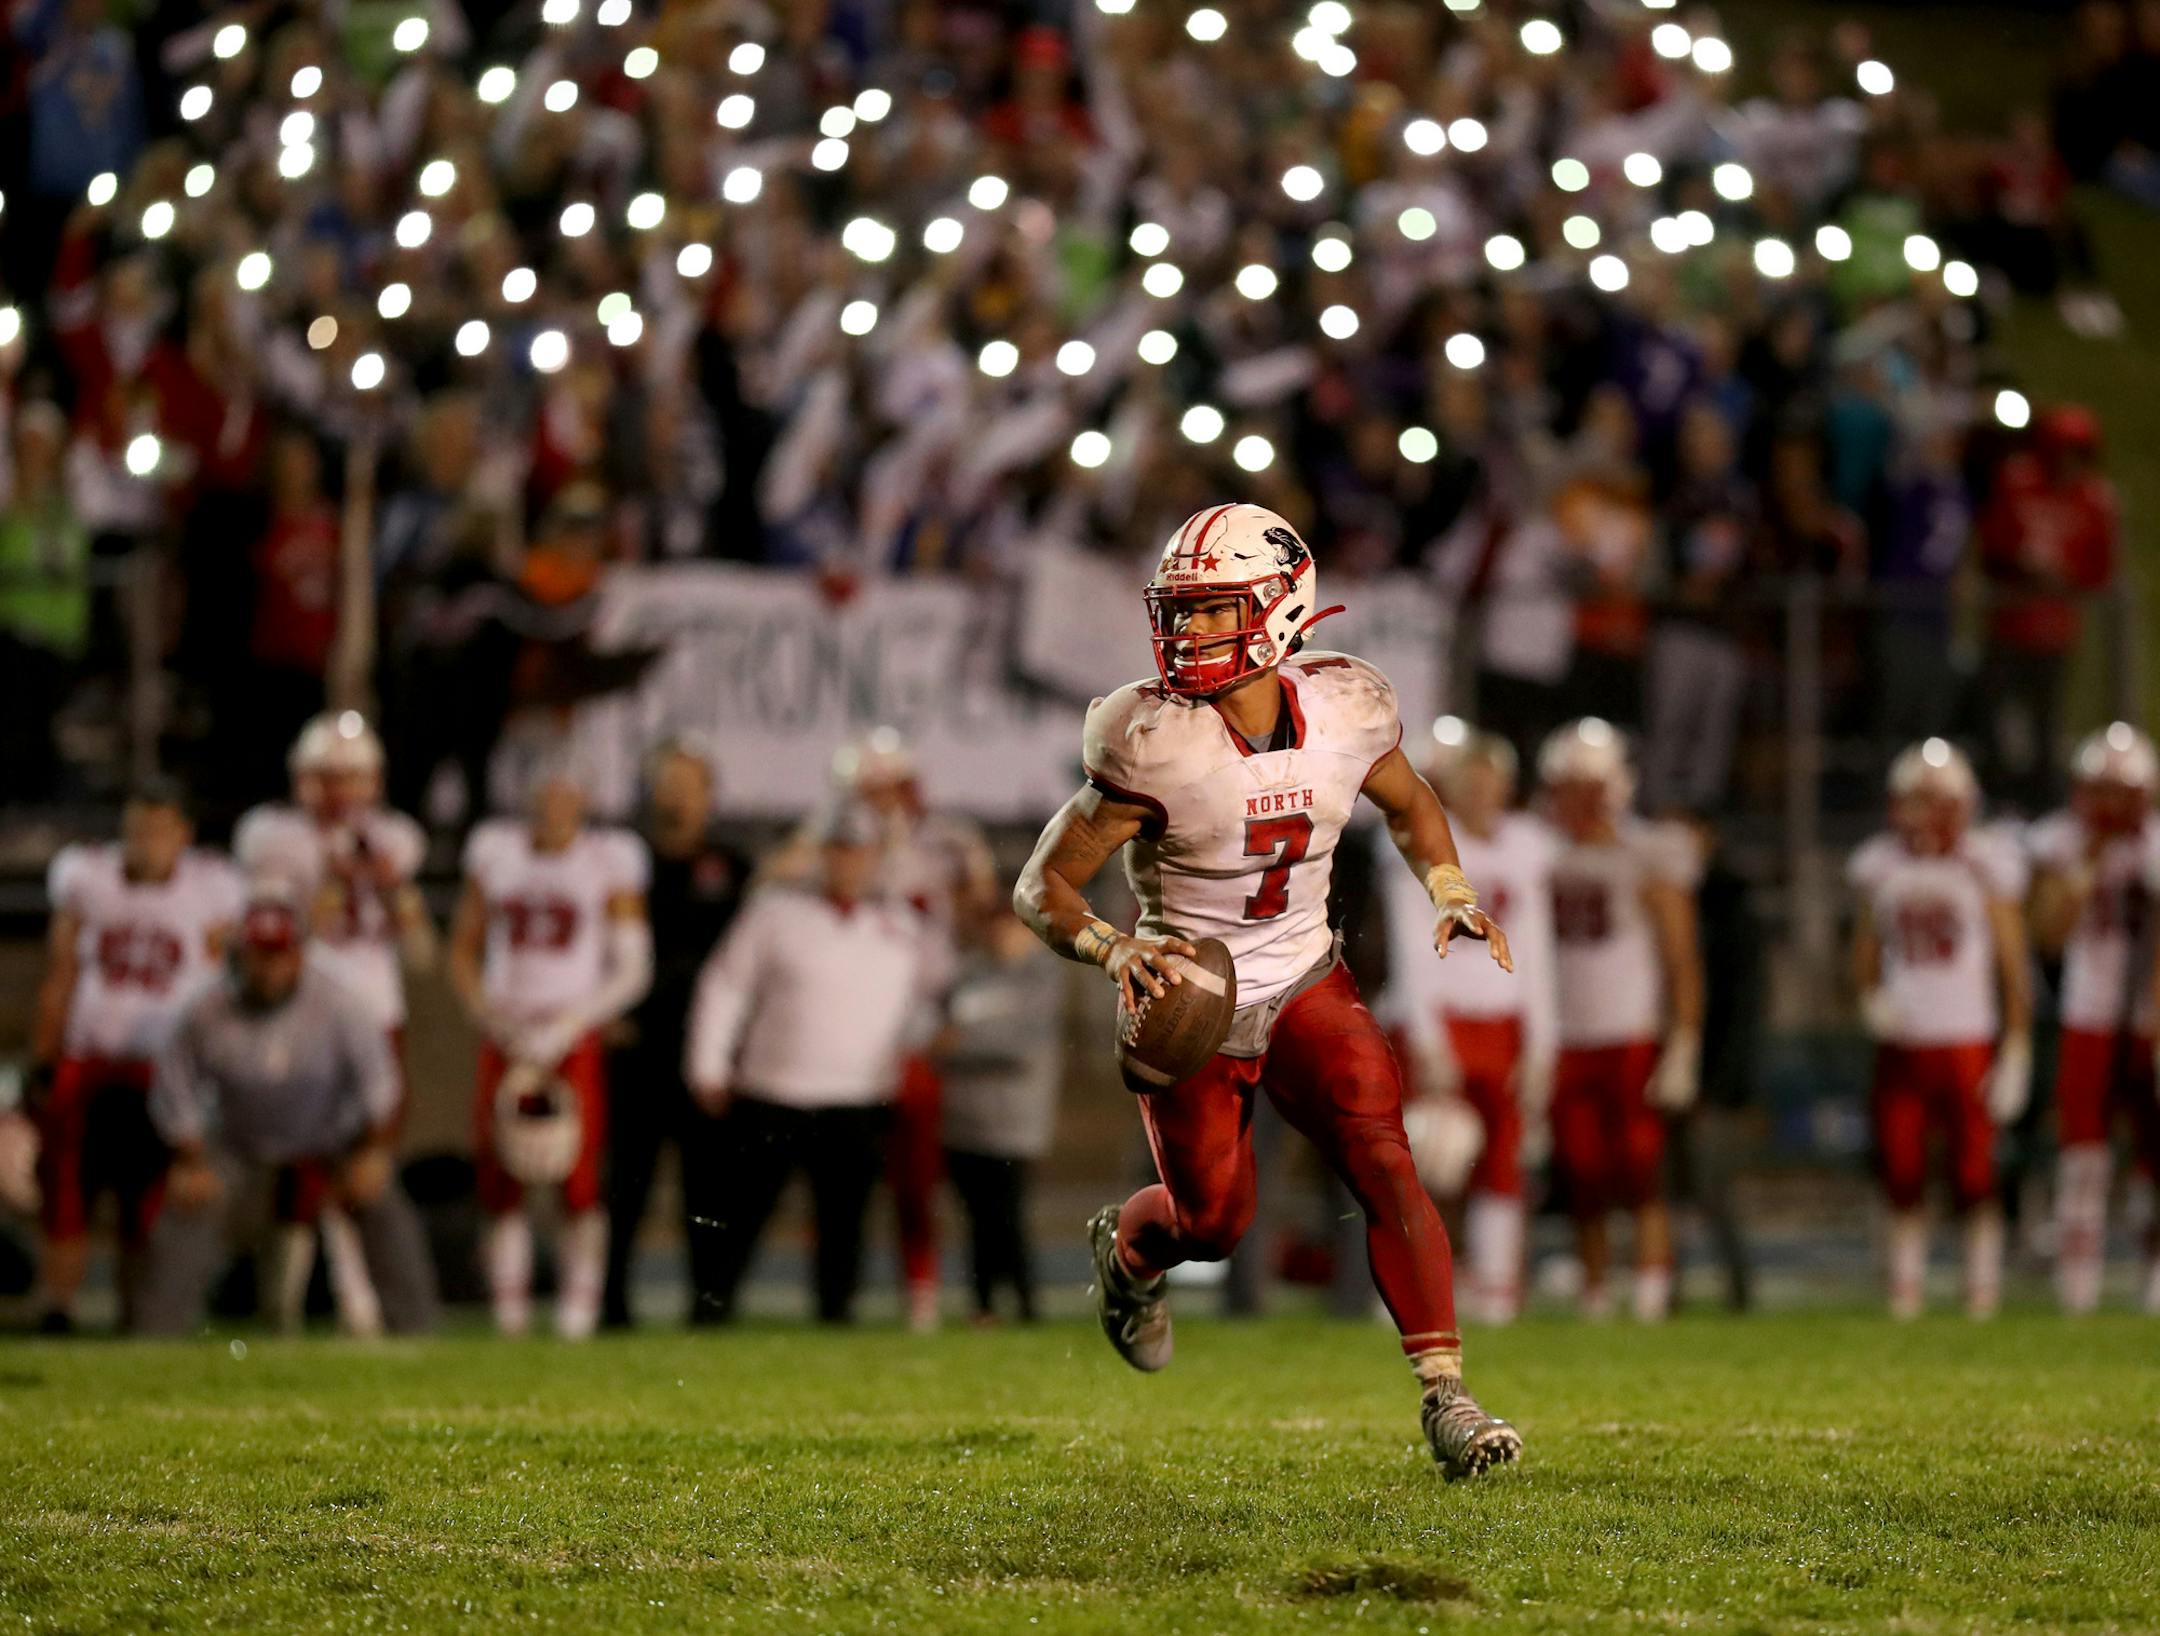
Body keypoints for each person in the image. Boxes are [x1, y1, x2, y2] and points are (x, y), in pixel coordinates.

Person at [1012, 502, 1522, 1480]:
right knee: (1214, 1223)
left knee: (1383, 1155)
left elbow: (1412, 805)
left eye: (1210, 611)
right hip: (1191, 998)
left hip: (1301, 975)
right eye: (1180, 610)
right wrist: (1116, 951)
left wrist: (1449, 887)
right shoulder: (1150, 739)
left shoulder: (1347, 708)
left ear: (1282, 608)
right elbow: (1043, 884)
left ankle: (1448, 1397)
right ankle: (1130, 1255)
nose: (1186, 632)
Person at [134, 885, 439, 1336]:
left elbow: (382, 1086)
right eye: (259, 954)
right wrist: (190, 1159)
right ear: (241, 954)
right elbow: (174, 1089)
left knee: (384, 1199)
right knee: (187, 1201)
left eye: (279, 954)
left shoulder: (340, 1002)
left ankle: (418, 1332)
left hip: (331, 1137)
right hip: (239, 1140)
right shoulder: (205, 1009)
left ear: (299, 955)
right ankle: (155, 1337)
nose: (270, 967)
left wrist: (372, 1151)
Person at [685, 803, 942, 1324]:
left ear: (877, 860)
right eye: (841, 853)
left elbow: (929, 1001)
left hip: (859, 1095)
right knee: (743, 1215)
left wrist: (915, 1048)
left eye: (861, 854)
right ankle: (711, 1313)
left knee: (844, 1221)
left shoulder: (902, 926)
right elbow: (725, 987)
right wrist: (708, 1064)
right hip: (773, 1089)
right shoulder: (774, 912)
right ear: (823, 856)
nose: (850, 866)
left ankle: (835, 1317)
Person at [234, 711, 435, 1330]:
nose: (341, 793)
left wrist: (390, 886)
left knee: (369, 1160)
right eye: (329, 778)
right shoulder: (274, 837)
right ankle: (284, 1306)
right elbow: (274, 937)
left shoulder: (396, 841)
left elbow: (422, 952)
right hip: (308, 1015)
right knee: (298, 1160)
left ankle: (360, 1301)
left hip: (376, 1013)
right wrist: (327, 880)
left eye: (352, 778)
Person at [448, 763, 652, 1339]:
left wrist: (569, 1024)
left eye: (567, 792)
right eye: (547, 792)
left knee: (578, 1177)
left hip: (571, 1035)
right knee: (500, 1172)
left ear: (584, 798)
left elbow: (634, 967)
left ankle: (577, 1312)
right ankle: (509, 1313)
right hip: (507, 1031)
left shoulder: (606, 860)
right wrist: (488, 1014)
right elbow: (463, 950)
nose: (556, 805)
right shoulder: (496, 852)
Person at [30, 782, 241, 1330]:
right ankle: (58, 1307)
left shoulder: (212, 888)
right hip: (91, 1059)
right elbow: (62, 972)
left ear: (183, 835)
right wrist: (44, 1054)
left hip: (163, 1070)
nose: (144, 843)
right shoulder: (88, 878)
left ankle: (139, 1316)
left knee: (145, 1200)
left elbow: (225, 981)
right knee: (68, 1187)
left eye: (157, 830)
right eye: (135, 830)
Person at [1377, 720, 1556, 1325]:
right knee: (1427, 1157)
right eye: (1469, 783)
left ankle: (1497, 1289)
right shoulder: (1424, 842)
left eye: (1490, 783)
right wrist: (1428, 1036)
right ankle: (1409, 1287)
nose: (1481, 795)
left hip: (1503, 1024)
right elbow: (1412, 945)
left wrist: (1543, 1039)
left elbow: (1536, 952)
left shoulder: (1527, 845)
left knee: (1504, 1157)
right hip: (1441, 1021)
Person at [1849, 739, 2032, 1320]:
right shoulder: (1882, 866)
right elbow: (1864, 946)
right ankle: (1907, 1285)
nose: (1924, 816)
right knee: (1901, 1167)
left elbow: (2012, 963)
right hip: (1905, 1038)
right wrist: (1870, 995)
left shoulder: (1986, 865)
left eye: (1936, 802)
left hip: (1967, 1036)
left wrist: (2018, 1047)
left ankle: (1981, 1285)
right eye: (1915, 802)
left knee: (1974, 1171)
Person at [831, 728, 998, 1332]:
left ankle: (926, 1287)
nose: (877, 800)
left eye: (884, 786)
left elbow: (986, 921)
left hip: (930, 1016)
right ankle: (841, 1292)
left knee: (926, 1169)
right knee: (849, 1168)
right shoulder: (841, 843)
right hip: (850, 1018)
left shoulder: (949, 841)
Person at [1538, 719, 1704, 1322]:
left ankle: (1654, 1285)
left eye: (1590, 787)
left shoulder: (1648, 853)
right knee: (1581, 1171)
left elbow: (1681, 958)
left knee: (1640, 1168)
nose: (1579, 801)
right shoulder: (1542, 852)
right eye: (1569, 787)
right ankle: (1596, 1288)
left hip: (1630, 1031)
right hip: (1565, 1034)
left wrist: (1684, 1039)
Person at [602, 738, 749, 1328]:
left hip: (705, 1051)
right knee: (626, 1186)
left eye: (689, 786)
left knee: (709, 1189)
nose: (678, 798)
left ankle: (707, 1305)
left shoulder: (733, 868)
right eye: (669, 785)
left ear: (709, 796)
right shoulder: (622, 862)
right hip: (636, 1047)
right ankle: (610, 1303)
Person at [2027, 723, 2160, 1313]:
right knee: (2082, 1154)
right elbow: (2049, 936)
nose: (2106, 803)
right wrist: (2085, 870)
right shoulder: (2062, 844)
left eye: (2118, 790)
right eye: (2097, 789)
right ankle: (2078, 1280)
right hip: (2089, 1008)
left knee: (2154, 1152)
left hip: (2150, 1014)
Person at [938, 910, 1065, 1324]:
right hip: (963, 1118)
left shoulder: (1042, 977)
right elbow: (937, 1031)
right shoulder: (968, 973)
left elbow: (1020, 1045)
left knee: (1007, 1215)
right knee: (977, 1216)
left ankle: (1027, 1303)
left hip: (1014, 1121)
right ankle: (984, 1305)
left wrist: (958, 1047)